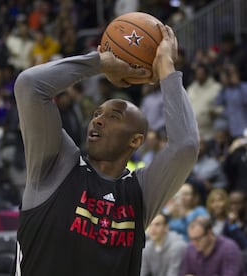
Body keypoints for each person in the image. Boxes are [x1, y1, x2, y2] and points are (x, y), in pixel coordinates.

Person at [13, 24, 199, 275]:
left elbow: (185, 146)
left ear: (135, 141)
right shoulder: (57, 164)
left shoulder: (140, 192)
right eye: (97, 113)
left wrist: (166, 68)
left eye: (114, 116)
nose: (98, 120)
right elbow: (29, 86)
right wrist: (99, 63)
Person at [180, 216, 245, 276]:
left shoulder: (229, 249)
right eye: (191, 239)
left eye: (198, 239)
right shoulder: (190, 248)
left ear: (209, 233)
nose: (194, 243)